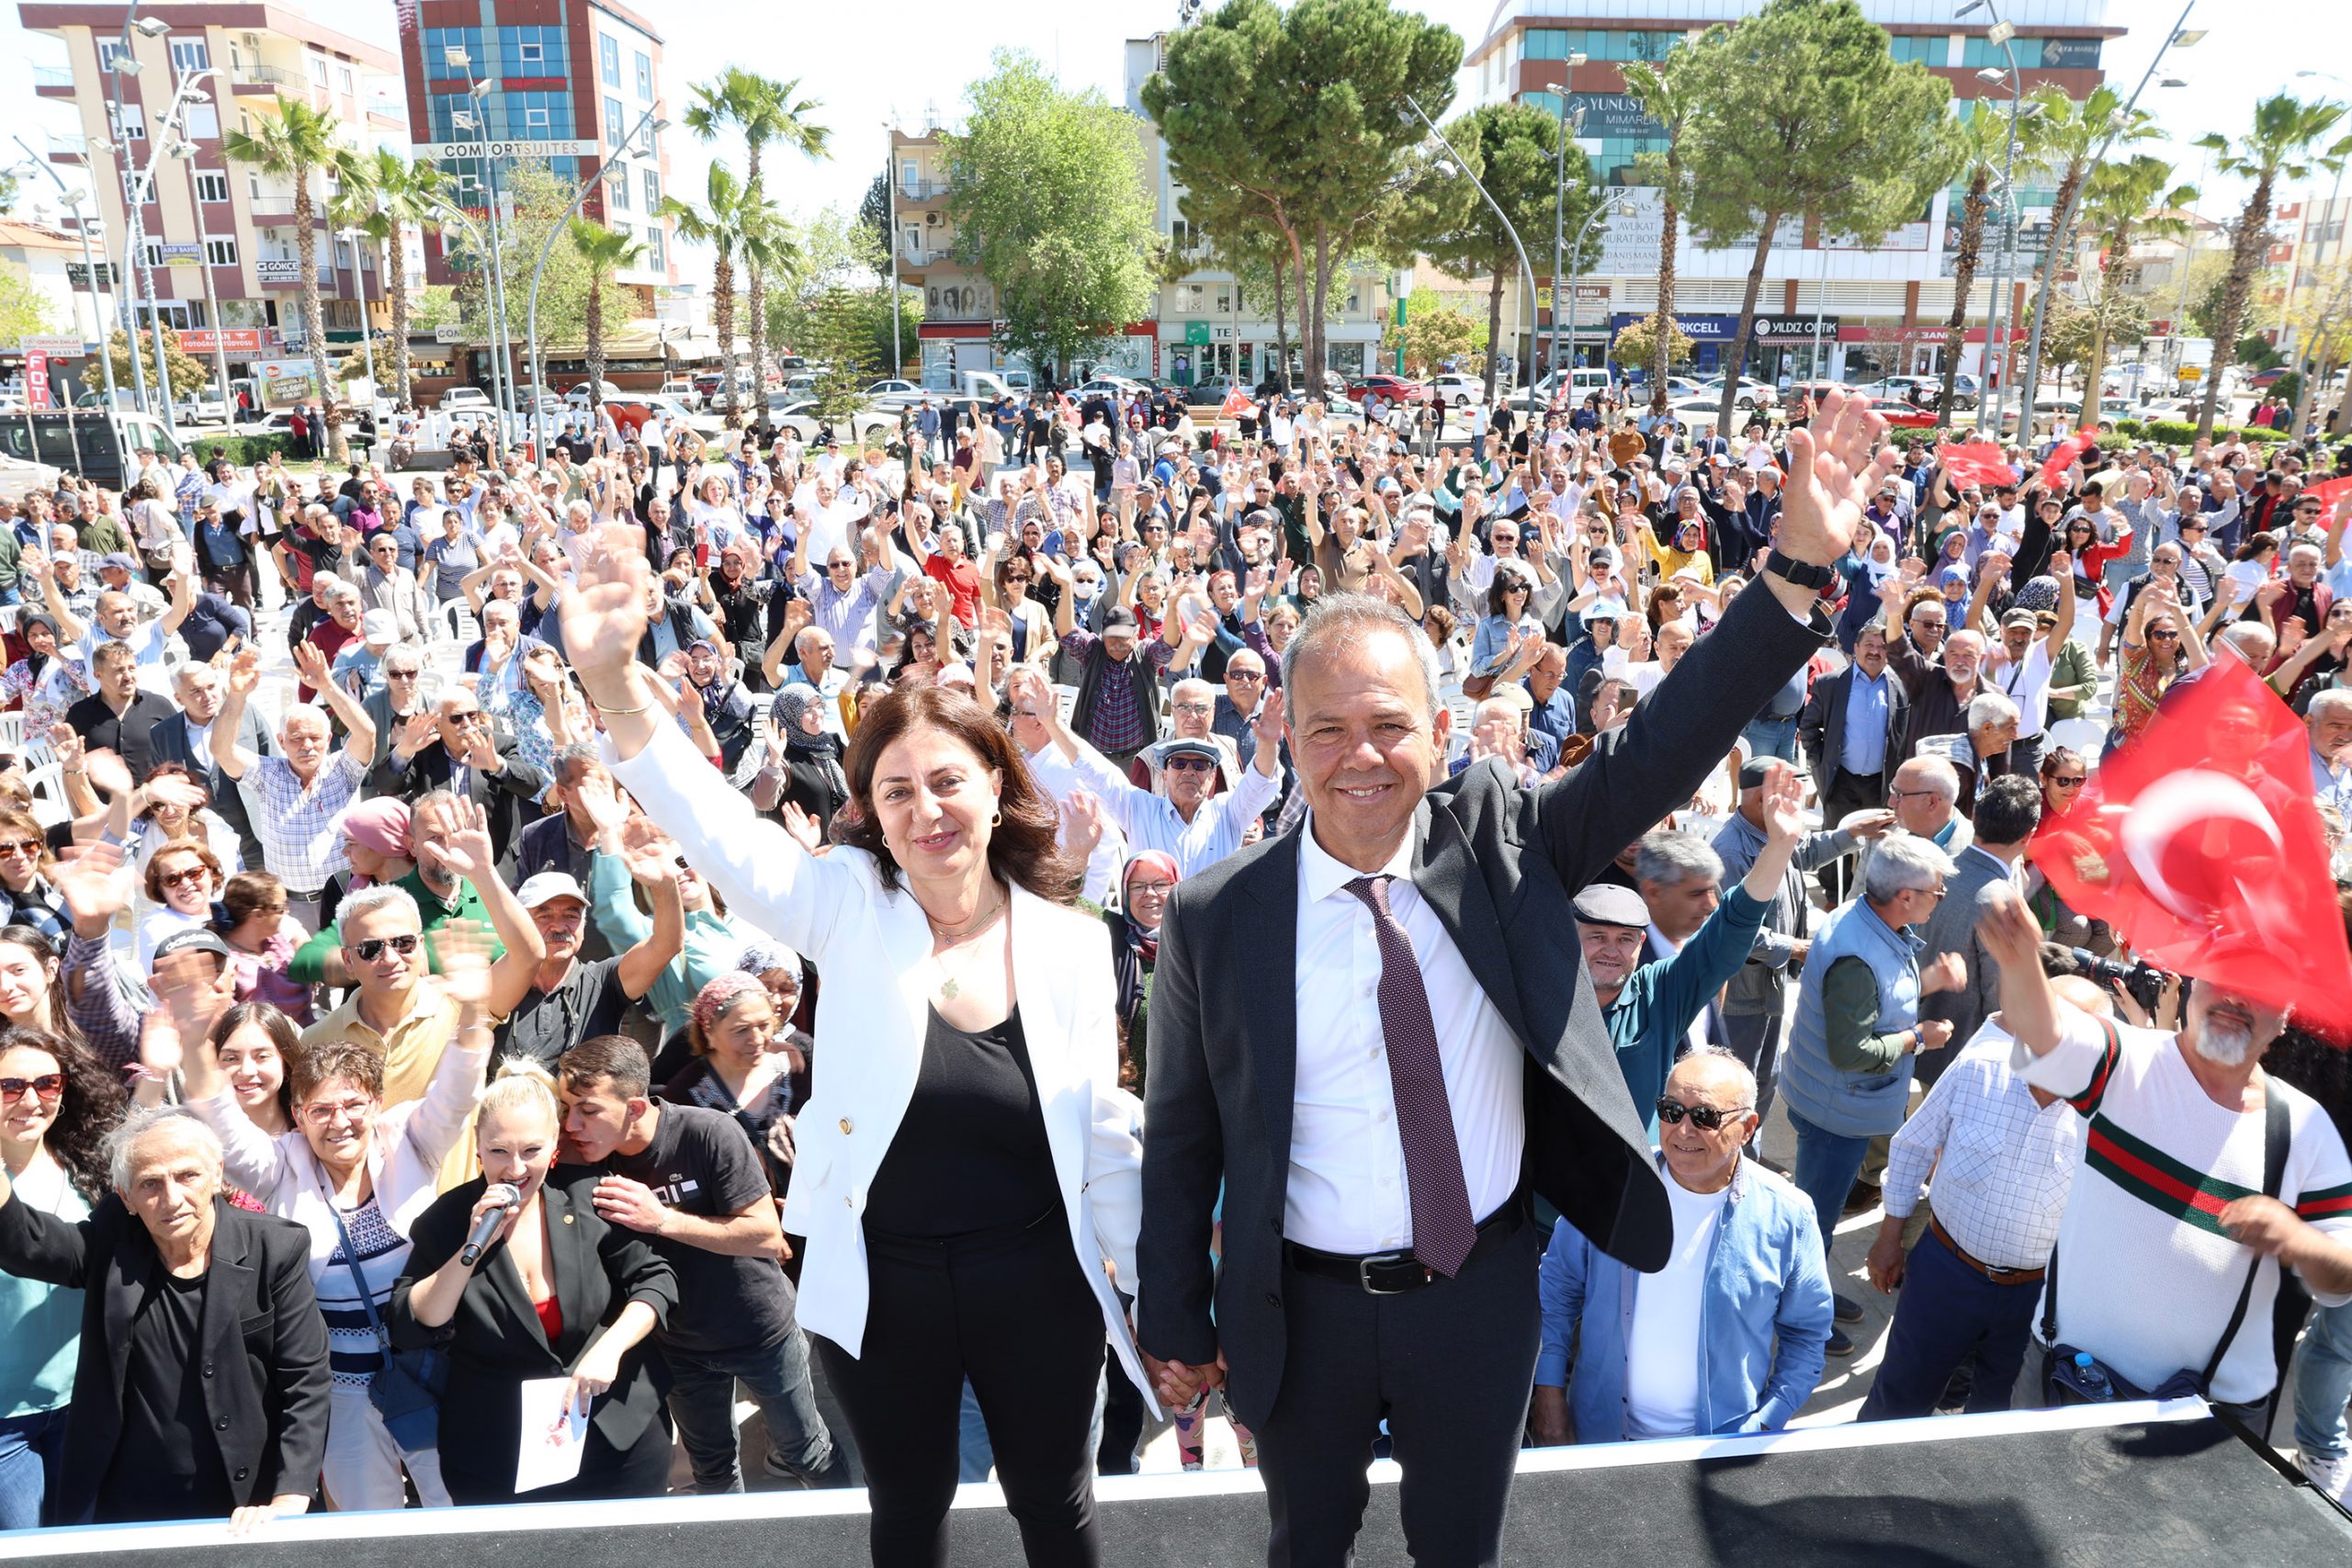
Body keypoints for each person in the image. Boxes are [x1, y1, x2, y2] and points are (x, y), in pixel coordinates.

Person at [1136, 392, 1890, 1566]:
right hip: (1301, 1311)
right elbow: (1182, 1134)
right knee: (1304, 1548)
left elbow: (1655, 754)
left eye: (1389, 724)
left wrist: (1791, 571)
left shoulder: (1506, 844)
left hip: (1476, 1291)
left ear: (1439, 734)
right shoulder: (1214, 914)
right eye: (1325, 730)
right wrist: (1178, 1316)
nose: (1360, 757)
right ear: (1282, 733)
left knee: (1462, 1551)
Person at [560, 535, 1147, 1568]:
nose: (926, 811)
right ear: (870, 809)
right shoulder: (844, 905)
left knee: (1057, 1512)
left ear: (998, 788)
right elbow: (726, 838)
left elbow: (1105, 1137)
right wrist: (614, 683)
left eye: (947, 782)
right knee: (907, 1514)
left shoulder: (1070, 941)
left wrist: (1161, 1309)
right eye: (897, 791)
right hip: (882, 1287)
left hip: (1041, 1286)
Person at [1975, 886, 2352, 1430]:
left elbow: (2341, 1280)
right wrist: (2018, 962)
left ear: (2286, 1017)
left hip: (2207, 1419)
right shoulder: (2125, 1058)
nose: (2237, 998)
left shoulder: (2305, 1129)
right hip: (2062, 1382)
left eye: (2262, 989)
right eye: (2226, 974)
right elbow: (2046, 1033)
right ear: (2195, 982)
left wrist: (2300, 1241)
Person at [177, 938, 492, 1511]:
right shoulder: (280, 1165)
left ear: (375, 1103)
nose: (339, 1123)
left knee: (457, 1517)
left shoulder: (408, 1140)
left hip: (430, 1369)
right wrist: (196, 1040)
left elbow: (457, 1091)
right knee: (366, 1531)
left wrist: (472, 1015)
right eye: (319, 1110)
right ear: (298, 1116)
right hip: (340, 1390)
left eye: (352, 1105)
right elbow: (219, 1119)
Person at [0, 1105, 329, 1528]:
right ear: (127, 1198)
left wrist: (289, 1495)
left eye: (187, 1176)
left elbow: (306, 1378)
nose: (171, 1199)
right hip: (131, 1508)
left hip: (247, 1502)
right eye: (150, 1184)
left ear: (216, 1174)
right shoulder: (113, 1246)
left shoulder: (274, 1250)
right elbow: (32, 1244)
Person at [556, 1033, 848, 1494]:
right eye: (566, 1108)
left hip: (760, 1331)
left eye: (588, 1110)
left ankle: (853, 1536)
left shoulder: (707, 1132)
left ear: (634, 1108)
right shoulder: (584, 1157)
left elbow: (767, 1236)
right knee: (711, 1470)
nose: (572, 1124)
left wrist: (663, 1220)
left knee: (804, 1452)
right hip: (679, 1346)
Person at [390, 1057, 675, 1504]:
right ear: (478, 1148)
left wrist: (610, 1348)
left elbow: (655, 1280)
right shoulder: (447, 1220)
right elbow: (413, 1324)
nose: (516, 1169)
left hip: (615, 1436)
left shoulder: (590, 1195)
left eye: (531, 1151)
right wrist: (472, 1248)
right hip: (496, 1451)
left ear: (555, 1145)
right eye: (500, 1151)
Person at [1532, 1051, 1831, 1443]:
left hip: (1719, 1449)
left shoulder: (1789, 1216)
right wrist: (1549, 1393)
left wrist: (1764, 1423)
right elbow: (1554, 1294)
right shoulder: (1611, 1191)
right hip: (1602, 1436)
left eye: (1704, 1116)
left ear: (1748, 1127)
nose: (1683, 1130)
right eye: (1671, 1111)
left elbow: (1807, 1334)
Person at [1859, 976, 2110, 1422]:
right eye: (2045, 1020)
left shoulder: (2107, 1117)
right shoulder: (1979, 1068)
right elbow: (1913, 1148)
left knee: (1999, 1425)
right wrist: (1889, 1237)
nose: (2052, 1036)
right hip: (1944, 1275)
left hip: (2035, 1299)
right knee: (1896, 1402)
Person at [1780, 831, 1969, 1356]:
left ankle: (1808, 1290)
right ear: (1905, 896)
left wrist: (1926, 982)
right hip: (1834, 1112)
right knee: (1814, 1218)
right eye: (1937, 891)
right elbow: (1853, 1050)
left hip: (1834, 1101)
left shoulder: (1868, 922)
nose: (1940, 899)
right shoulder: (1857, 954)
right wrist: (1919, 1038)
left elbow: (1874, 1004)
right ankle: (1800, 1316)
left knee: (1818, 1212)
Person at [1712, 760, 1889, 1127]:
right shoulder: (1731, 853)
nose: (1799, 803)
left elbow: (1804, 852)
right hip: (1744, 996)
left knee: (1765, 1080)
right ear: (1761, 799)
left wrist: (1853, 832)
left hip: (1770, 987)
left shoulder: (1773, 833)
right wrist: (1798, 948)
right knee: (1738, 1086)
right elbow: (1736, 933)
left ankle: (1750, 1153)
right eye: (1788, 795)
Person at [0, 1026, 128, 1529]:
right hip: (6, 1423)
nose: (30, 1100)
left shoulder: (89, 1166)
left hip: (85, 1407)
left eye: (47, 1084)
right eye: (10, 1086)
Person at [209, 645, 379, 932]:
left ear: (328, 740)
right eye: (297, 739)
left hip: (344, 896)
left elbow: (367, 734)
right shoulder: (268, 774)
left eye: (315, 738)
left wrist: (325, 684)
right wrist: (237, 695)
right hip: (289, 906)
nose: (307, 746)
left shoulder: (343, 769)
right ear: (282, 740)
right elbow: (222, 750)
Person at [1910, 775, 2041, 1089]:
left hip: (1914, 1040)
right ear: (2029, 836)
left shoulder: (1935, 870)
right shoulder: (2000, 901)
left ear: (1975, 818)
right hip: (1964, 1061)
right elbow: (2001, 999)